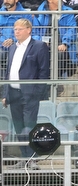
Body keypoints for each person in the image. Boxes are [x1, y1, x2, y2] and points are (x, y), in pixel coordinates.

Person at [2, 18, 49, 161]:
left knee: (29, 126)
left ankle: (32, 159)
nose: (16, 32)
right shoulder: (12, 48)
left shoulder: (39, 46)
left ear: (29, 30)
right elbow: (8, 72)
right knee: (18, 127)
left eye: (20, 29)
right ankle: (24, 159)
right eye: (15, 29)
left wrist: (38, 93)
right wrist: (5, 94)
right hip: (13, 93)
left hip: (30, 94)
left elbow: (43, 72)